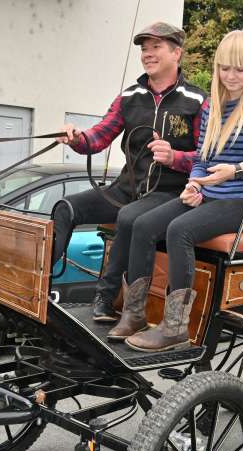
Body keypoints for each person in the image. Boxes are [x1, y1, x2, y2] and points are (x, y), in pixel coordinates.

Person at [107, 29, 243, 351]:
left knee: (179, 230)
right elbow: (203, 157)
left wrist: (236, 170)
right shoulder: (213, 106)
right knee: (142, 224)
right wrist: (194, 182)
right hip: (210, 194)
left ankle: (176, 326)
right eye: (224, 68)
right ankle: (134, 312)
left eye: (240, 68)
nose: (231, 76)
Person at [53, 21, 207, 322]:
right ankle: (42, 285)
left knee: (129, 217)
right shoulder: (129, 96)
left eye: (155, 47)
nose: (147, 54)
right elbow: (98, 137)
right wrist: (76, 138)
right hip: (127, 188)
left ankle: (106, 299)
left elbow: (208, 156)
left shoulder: (198, 101)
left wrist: (176, 157)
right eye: (144, 49)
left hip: (170, 192)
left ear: (177, 53)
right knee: (66, 208)